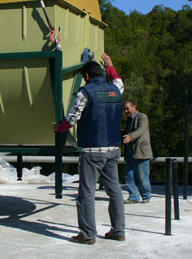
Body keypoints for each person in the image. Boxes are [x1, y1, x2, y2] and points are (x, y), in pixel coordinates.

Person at [53, 53, 125, 244]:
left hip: (92, 150)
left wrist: (58, 127)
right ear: (101, 73)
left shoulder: (85, 92)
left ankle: (87, 234)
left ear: (86, 76)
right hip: (113, 149)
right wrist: (111, 65)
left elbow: (73, 118)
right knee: (115, 191)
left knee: (86, 193)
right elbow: (119, 81)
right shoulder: (115, 90)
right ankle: (118, 231)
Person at [122, 101, 153, 204]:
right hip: (130, 152)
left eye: (127, 108)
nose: (126, 111)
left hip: (141, 152)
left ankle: (146, 196)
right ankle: (134, 197)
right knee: (129, 175)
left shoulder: (142, 117)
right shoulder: (129, 120)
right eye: (125, 109)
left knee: (142, 176)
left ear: (134, 107)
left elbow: (141, 129)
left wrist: (130, 137)